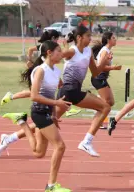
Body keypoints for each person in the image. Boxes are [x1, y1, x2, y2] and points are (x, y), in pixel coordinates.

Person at [2, 40, 72, 192]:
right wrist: (57, 103)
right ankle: (51, 186)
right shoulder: (41, 70)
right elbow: (34, 96)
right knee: (60, 146)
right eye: (58, 51)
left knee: (38, 153)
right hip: (39, 113)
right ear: (49, 53)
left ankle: (21, 121)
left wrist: (54, 113)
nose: (61, 54)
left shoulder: (55, 71)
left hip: (47, 112)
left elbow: (52, 94)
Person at [56, 25, 112, 157]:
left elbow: (95, 72)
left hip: (72, 92)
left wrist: (104, 60)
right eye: (88, 36)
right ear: (79, 37)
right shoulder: (72, 51)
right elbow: (54, 58)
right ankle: (86, 142)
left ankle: (10, 137)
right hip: (68, 91)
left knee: (47, 122)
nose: (90, 38)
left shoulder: (88, 52)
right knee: (105, 107)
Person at [91, 32, 122, 128]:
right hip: (98, 78)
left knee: (110, 102)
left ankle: (97, 119)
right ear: (108, 40)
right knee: (107, 102)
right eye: (113, 38)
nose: (115, 39)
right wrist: (113, 67)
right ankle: (96, 120)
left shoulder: (107, 50)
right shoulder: (105, 50)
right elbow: (100, 67)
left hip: (101, 78)